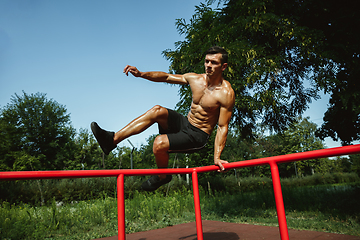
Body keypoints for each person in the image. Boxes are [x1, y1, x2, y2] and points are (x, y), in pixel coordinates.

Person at [91, 46, 235, 191]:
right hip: (185, 122)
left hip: (198, 135)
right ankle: (112, 140)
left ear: (223, 66)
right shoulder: (195, 79)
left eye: (214, 63)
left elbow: (222, 126)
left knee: (159, 143)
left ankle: (163, 177)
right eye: (207, 61)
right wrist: (141, 74)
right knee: (157, 110)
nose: (208, 66)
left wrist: (217, 157)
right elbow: (166, 77)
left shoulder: (225, 93)